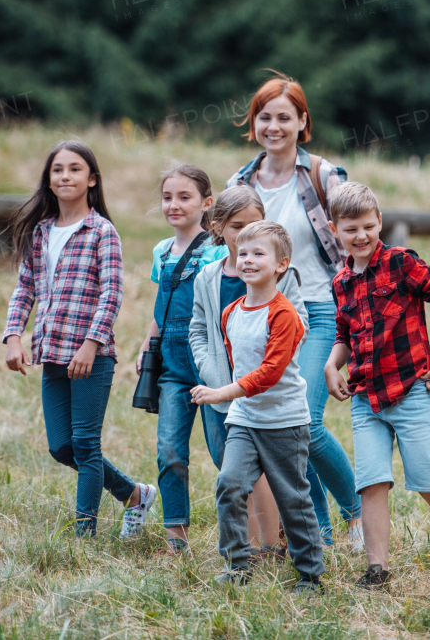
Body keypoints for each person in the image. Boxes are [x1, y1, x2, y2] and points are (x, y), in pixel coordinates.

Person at [323, 182, 430, 597]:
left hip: (410, 390)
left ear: (380, 222)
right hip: (366, 398)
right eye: (350, 230)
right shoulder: (341, 281)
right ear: (334, 230)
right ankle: (377, 569)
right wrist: (332, 364)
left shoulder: (401, 263)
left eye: (368, 226)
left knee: (428, 481)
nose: (361, 236)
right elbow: (345, 333)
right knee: (371, 482)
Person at [226, 72, 363, 551]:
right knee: (285, 424)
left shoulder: (325, 176)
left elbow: (359, 233)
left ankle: (357, 514)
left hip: (321, 311)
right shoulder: (240, 183)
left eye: (285, 117)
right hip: (263, 318)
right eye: (265, 117)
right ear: (254, 123)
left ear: (303, 122)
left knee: (305, 418)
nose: (274, 126)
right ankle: (317, 531)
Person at [2, 141, 156, 537]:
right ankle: (133, 494)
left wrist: (92, 344)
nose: (65, 176)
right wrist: (13, 336)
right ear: (49, 180)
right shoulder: (40, 232)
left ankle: (83, 534)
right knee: (60, 447)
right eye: (57, 170)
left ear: (91, 179)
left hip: (92, 354)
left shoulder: (102, 232)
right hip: (52, 353)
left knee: (86, 444)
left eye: (74, 169)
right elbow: (25, 288)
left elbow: (112, 294)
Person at [191, 221, 325, 596]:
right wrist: (233, 397)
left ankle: (310, 575)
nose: (248, 260)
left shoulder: (285, 315)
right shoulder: (231, 311)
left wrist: (222, 393)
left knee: (293, 499)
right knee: (229, 483)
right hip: (245, 421)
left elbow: (269, 373)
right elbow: (239, 361)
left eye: (258, 253)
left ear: (281, 265)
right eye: (243, 252)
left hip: (284, 422)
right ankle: (237, 564)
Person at [189, 185, 300, 559]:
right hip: (221, 389)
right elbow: (199, 328)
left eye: (255, 225)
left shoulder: (283, 275)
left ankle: (271, 545)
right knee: (230, 469)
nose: (245, 235)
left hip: (270, 396)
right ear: (219, 228)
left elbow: (297, 325)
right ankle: (246, 551)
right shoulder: (208, 277)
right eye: (237, 227)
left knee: (270, 471)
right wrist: (210, 370)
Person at [137, 163, 230, 553]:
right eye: (167, 197)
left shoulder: (219, 250)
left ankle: (245, 536)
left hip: (210, 363)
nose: (173, 205)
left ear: (207, 203)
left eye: (184, 197)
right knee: (170, 451)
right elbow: (163, 304)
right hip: (172, 367)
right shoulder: (161, 250)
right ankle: (177, 540)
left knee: (225, 452)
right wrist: (147, 346)